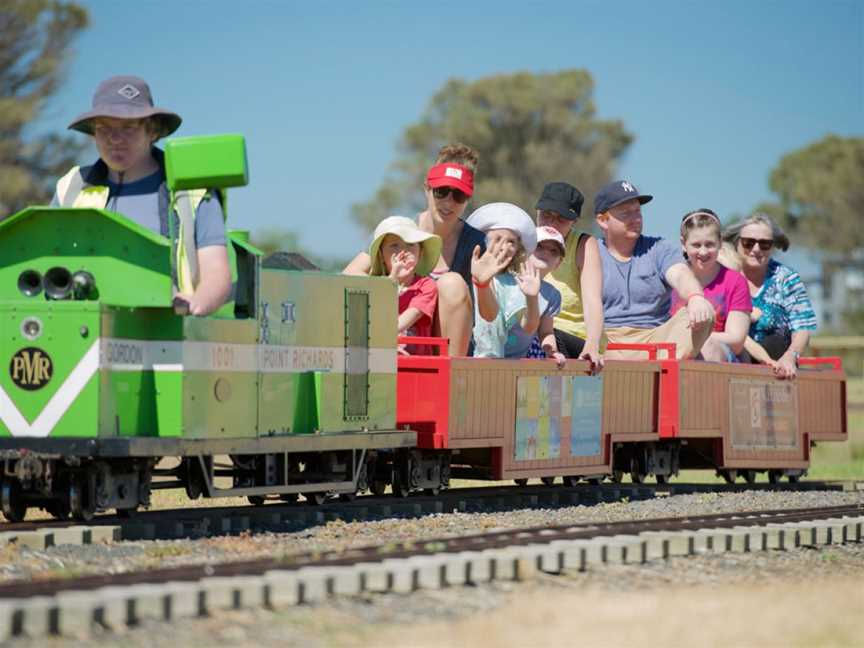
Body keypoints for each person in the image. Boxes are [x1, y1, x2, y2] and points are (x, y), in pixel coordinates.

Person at [51, 75, 231, 316]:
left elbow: (216, 273)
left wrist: (194, 305)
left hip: (169, 336)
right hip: (83, 332)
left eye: (128, 128)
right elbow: (48, 261)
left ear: (153, 131)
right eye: (104, 129)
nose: (115, 139)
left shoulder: (192, 191)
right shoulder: (72, 186)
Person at [344, 144, 487, 356]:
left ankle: (451, 380)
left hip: (448, 351)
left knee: (451, 283)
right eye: (441, 192)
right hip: (395, 346)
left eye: (458, 195)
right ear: (427, 189)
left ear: (468, 199)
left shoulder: (477, 243)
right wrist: (390, 281)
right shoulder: (398, 232)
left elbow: (491, 316)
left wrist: (483, 285)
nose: (448, 202)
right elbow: (349, 276)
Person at [594, 180, 715, 360]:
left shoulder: (659, 248)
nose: (636, 218)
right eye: (626, 213)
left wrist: (696, 297)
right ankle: (651, 371)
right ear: (603, 220)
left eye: (637, 211)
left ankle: (656, 370)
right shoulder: (589, 252)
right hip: (605, 339)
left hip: (656, 339)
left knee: (705, 312)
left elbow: (680, 275)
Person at [722, 213, 817, 378]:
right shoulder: (724, 276)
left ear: (772, 247)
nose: (756, 249)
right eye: (748, 242)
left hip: (777, 367)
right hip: (733, 364)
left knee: (775, 342)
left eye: (764, 244)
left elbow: (803, 327)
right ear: (736, 242)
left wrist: (790, 357)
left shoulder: (786, 278)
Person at [465, 203, 550, 360]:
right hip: (462, 358)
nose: (504, 247)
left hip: (493, 364)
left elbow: (529, 327)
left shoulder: (512, 284)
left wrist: (532, 297)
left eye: (511, 242)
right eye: (497, 239)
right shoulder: (463, 273)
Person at [535, 181, 604, 369]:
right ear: (537, 212)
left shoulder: (584, 244)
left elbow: (592, 299)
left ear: (574, 222)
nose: (551, 223)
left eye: (561, 219)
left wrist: (592, 343)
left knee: (546, 336)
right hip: (535, 332)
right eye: (546, 215)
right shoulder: (525, 239)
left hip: (573, 339)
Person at [670, 210, 751, 362]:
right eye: (696, 245)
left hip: (718, 355)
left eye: (709, 244)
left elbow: (737, 341)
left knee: (707, 347)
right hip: (674, 352)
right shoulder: (672, 277)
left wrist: (696, 337)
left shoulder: (735, 281)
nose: (703, 251)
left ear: (720, 242)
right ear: (683, 244)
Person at [368, 216, 442, 355]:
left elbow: (401, 324)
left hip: (415, 362)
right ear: (381, 256)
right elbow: (372, 320)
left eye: (410, 245)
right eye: (394, 246)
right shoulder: (376, 286)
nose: (403, 252)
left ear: (420, 253)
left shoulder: (425, 286)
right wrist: (392, 281)